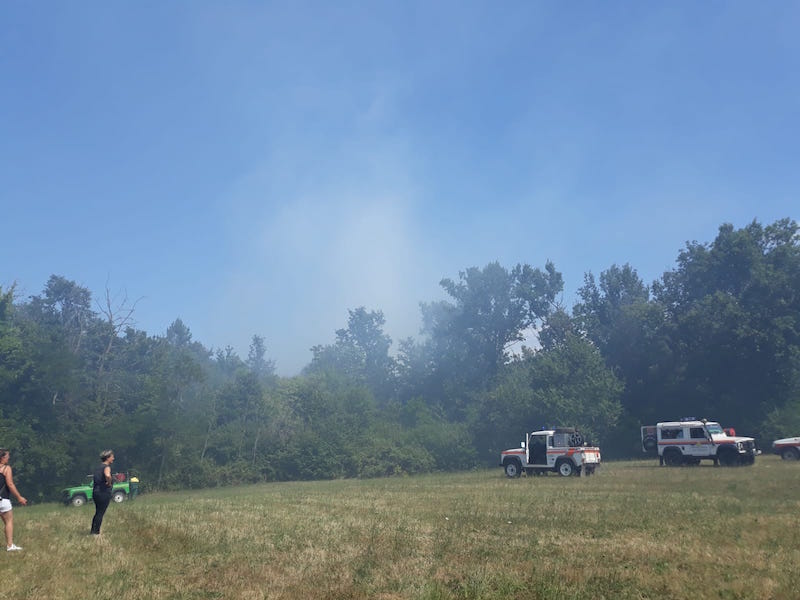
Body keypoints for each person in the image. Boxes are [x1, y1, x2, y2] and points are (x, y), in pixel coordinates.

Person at [0, 448, 28, 551]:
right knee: (8, 522)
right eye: (7, 456)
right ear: (2, 457)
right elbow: (10, 484)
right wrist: (19, 497)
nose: (9, 458)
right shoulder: (6, 468)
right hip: (3, 500)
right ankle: (10, 545)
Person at [91, 449, 114, 535]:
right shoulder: (106, 467)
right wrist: (109, 482)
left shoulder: (98, 467)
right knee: (101, 513)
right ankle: (96, 532)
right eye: (112, 457)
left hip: (96, 492)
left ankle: (93, 530)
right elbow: (107, 475)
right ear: (107, 458)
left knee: (97, 512)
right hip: (103, 492)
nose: (113, 458)